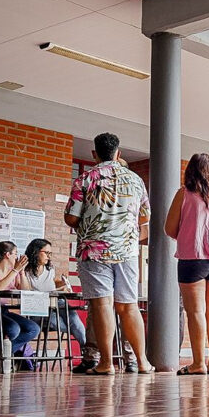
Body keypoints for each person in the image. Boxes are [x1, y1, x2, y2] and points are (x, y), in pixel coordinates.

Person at [64, 132, 154, 375]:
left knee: (102, 305)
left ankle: (106, 363)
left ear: (94, 154)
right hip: (126, 250)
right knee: (129, 306)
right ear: (119, 153)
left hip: (95, 250)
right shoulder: (136, 181)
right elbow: (144, 216)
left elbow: (71, 217)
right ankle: (142, 361)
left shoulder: (85, 178)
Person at [165, 153, 209, 376]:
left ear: (190, 170)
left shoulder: (184, 194)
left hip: (193, 259)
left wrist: (189, 233)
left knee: (195, 312)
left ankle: (198, 364)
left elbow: (169, 229)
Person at [0, 241, 41, 367]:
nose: (17, 258)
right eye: (15, 254)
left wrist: (21, 272)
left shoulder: (15, 272)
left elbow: (26, 290)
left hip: (3, 310)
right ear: (7, 255)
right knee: (13, 328)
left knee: (33, 329)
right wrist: (15, 270)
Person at [23, 238, 87, 348]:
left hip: (56, 303)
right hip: (39, 309)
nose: (49, 256)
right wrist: (57, 290)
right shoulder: (25, 271)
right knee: (55, 321)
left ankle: (88, 351)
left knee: (74, 318)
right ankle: (85, 345)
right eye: (46, 253)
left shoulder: (50, 269)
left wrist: (62, 285)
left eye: (50, 253)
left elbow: (50, 284)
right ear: (36, 251)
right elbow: (27, 292)